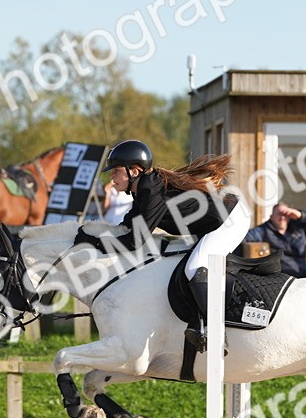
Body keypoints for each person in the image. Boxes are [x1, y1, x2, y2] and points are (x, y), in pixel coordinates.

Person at [81, 139, 250, 353]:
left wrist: (94, 243)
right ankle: (196, 321)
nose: (111, 176)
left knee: (194, 268)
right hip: (215, 221)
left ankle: (216, 332)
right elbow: (126, 228)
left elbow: (134, 241)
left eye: (115, 171)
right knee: (182, 266)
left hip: (230, 220)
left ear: (134, 170)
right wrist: (93, 237)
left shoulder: (151, 192)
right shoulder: (143, 189)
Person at [242, 203, 306, 278]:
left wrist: (301, 215)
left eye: (285, 214)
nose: (282, 218)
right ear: (271, 216)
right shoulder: (263, 230)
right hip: (281, 278)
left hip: (302, 275)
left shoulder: (298, 228)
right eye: (279, 214)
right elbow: (243, 238)